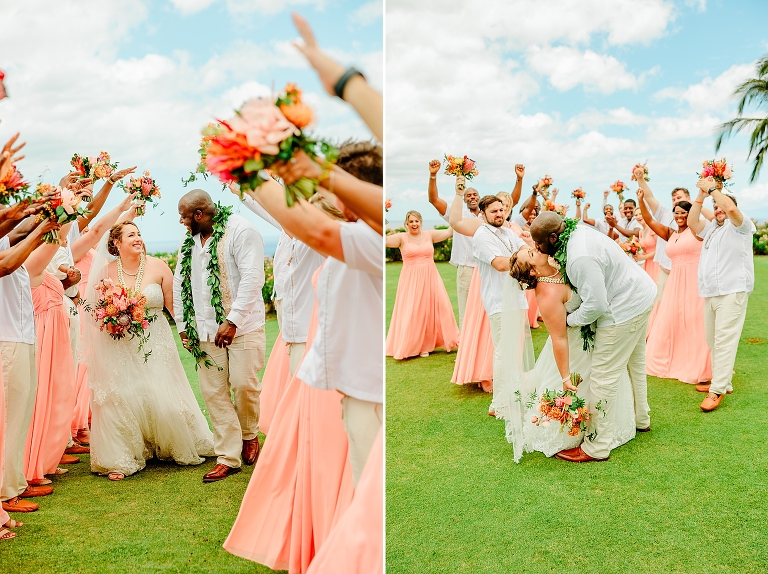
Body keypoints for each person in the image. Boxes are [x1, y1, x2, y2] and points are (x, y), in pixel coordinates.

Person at [83, 222, 214, 481]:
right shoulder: (106, 272)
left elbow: (174, 307)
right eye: (131, 235)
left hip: (156, 340)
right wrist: (111, 319)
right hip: (119, 344)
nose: (138, 238)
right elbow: (96, 312)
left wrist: (187, 333)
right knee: (123, 395)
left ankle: (169, 442)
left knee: (161, 392)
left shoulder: (158, 266)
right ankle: (121, 455)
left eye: (139, 234)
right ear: (116, 243)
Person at [530, 212, 656, 463]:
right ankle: (641, 419)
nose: (536, 247)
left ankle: (597, 446)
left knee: (602, 377)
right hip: (641, 294)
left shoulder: (579, 258)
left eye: (539, 242)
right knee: (635, 364)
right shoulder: (578, 233)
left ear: (554, 237)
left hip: (623, 309)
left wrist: (569, 321)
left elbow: (596, 305)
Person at [504, 246, 637, 462]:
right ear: (533, 271)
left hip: (595, 335)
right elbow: (559, 338)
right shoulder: (547, 295)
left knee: (605, 379)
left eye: (531, 248)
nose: (535, 249)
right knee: (581, 386)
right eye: (531, 254)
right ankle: (573, 431)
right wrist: (565, 378)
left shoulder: (558, 263)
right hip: (574, 348)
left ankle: (606, 426)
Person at [173, 190, 266, 482]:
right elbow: (179, 281)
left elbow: (253, 278)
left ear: (199, 215)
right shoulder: (188, 241)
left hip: (244, 326)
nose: (181, 222)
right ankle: (228, 456)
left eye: (184, 217)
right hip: (204, 329)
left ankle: (249, 433)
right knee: (213, 392)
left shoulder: (241, 230)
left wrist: (233, 320)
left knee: (244, 384)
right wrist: (183, 325)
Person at [688, 178, 756, 411]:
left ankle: (717, 390)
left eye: (720, 206)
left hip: (732, 290)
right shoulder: (712, 229)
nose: (718, 210)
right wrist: (700, 195)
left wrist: (713, 190)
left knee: (724, 340)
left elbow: (730, 209)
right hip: (711, 292)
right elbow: (692, 222)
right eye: (714, 207)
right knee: (712, 340)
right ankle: (724, 382)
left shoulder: (740, 225)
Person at [639, 193, 712, 385]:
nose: (680, 216)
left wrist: (701, 196)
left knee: (694, 321)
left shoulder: (697, 231)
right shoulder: (671, 234)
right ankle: (671, 359)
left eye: (684, 213)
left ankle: (698, 365)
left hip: (694, 282)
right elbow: (649, 220)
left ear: (690, 214)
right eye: (677, 213)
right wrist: (640, 201)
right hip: (674, 282)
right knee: (670, 320)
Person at [471, 187, 526, 416]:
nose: (499, 214)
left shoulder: (507, 232)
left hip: (517, 298)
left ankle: (512, 395)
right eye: (494, 211)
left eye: (501, 210)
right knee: (503, 351)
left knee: (514, 350)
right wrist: (524, 257)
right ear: (483, 213)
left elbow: (524, 247)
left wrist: (525, 253)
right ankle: (499, 403)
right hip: (498, 301)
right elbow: (500, 264)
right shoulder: (482, 235)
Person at [634, 166, 713, 309]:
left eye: (679, 198)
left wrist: (699, 200)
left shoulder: (699, 222)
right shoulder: (666, 217)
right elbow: (649, 201)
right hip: (666, 271)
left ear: (689, 199)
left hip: (691, 275)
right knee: (664, 307)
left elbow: (714, 221)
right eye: (673, 199)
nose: (676, 201)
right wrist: (640, 180)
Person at [385, 210, 458, 359]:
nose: (414, 224)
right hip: (411, 280)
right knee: (414, 310)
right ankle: (415, 345)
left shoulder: (429, 235)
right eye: (411, 221)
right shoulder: (401, 238)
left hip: (431, 277)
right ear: (406, 224)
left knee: (437, 307)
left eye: (416, 221)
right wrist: (382, 216)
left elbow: (449, 231)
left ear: (421, 222)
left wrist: (457, 213)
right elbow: (383, 240)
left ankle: (429, 343)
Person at [427, 159, 481, 328]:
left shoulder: (487, 215)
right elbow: (433, 199)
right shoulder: (457, 212)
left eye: (475, 194)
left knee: (485, 310)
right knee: (466, 311)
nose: (472, 197)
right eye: (468, 195)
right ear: (464, 199)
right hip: (467, 268)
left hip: (487, 268)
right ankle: (465, 341)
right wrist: (433, 176)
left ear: (479, 198)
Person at [634, 207, 658, 280]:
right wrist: (636, 254)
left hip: (656, 262)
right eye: (636, 215)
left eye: (640, 214)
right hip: (648, 263)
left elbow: (660, 249)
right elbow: (645, 251)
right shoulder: (641, 232)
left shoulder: (653, 228)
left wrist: (644, 257)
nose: (638, 216)